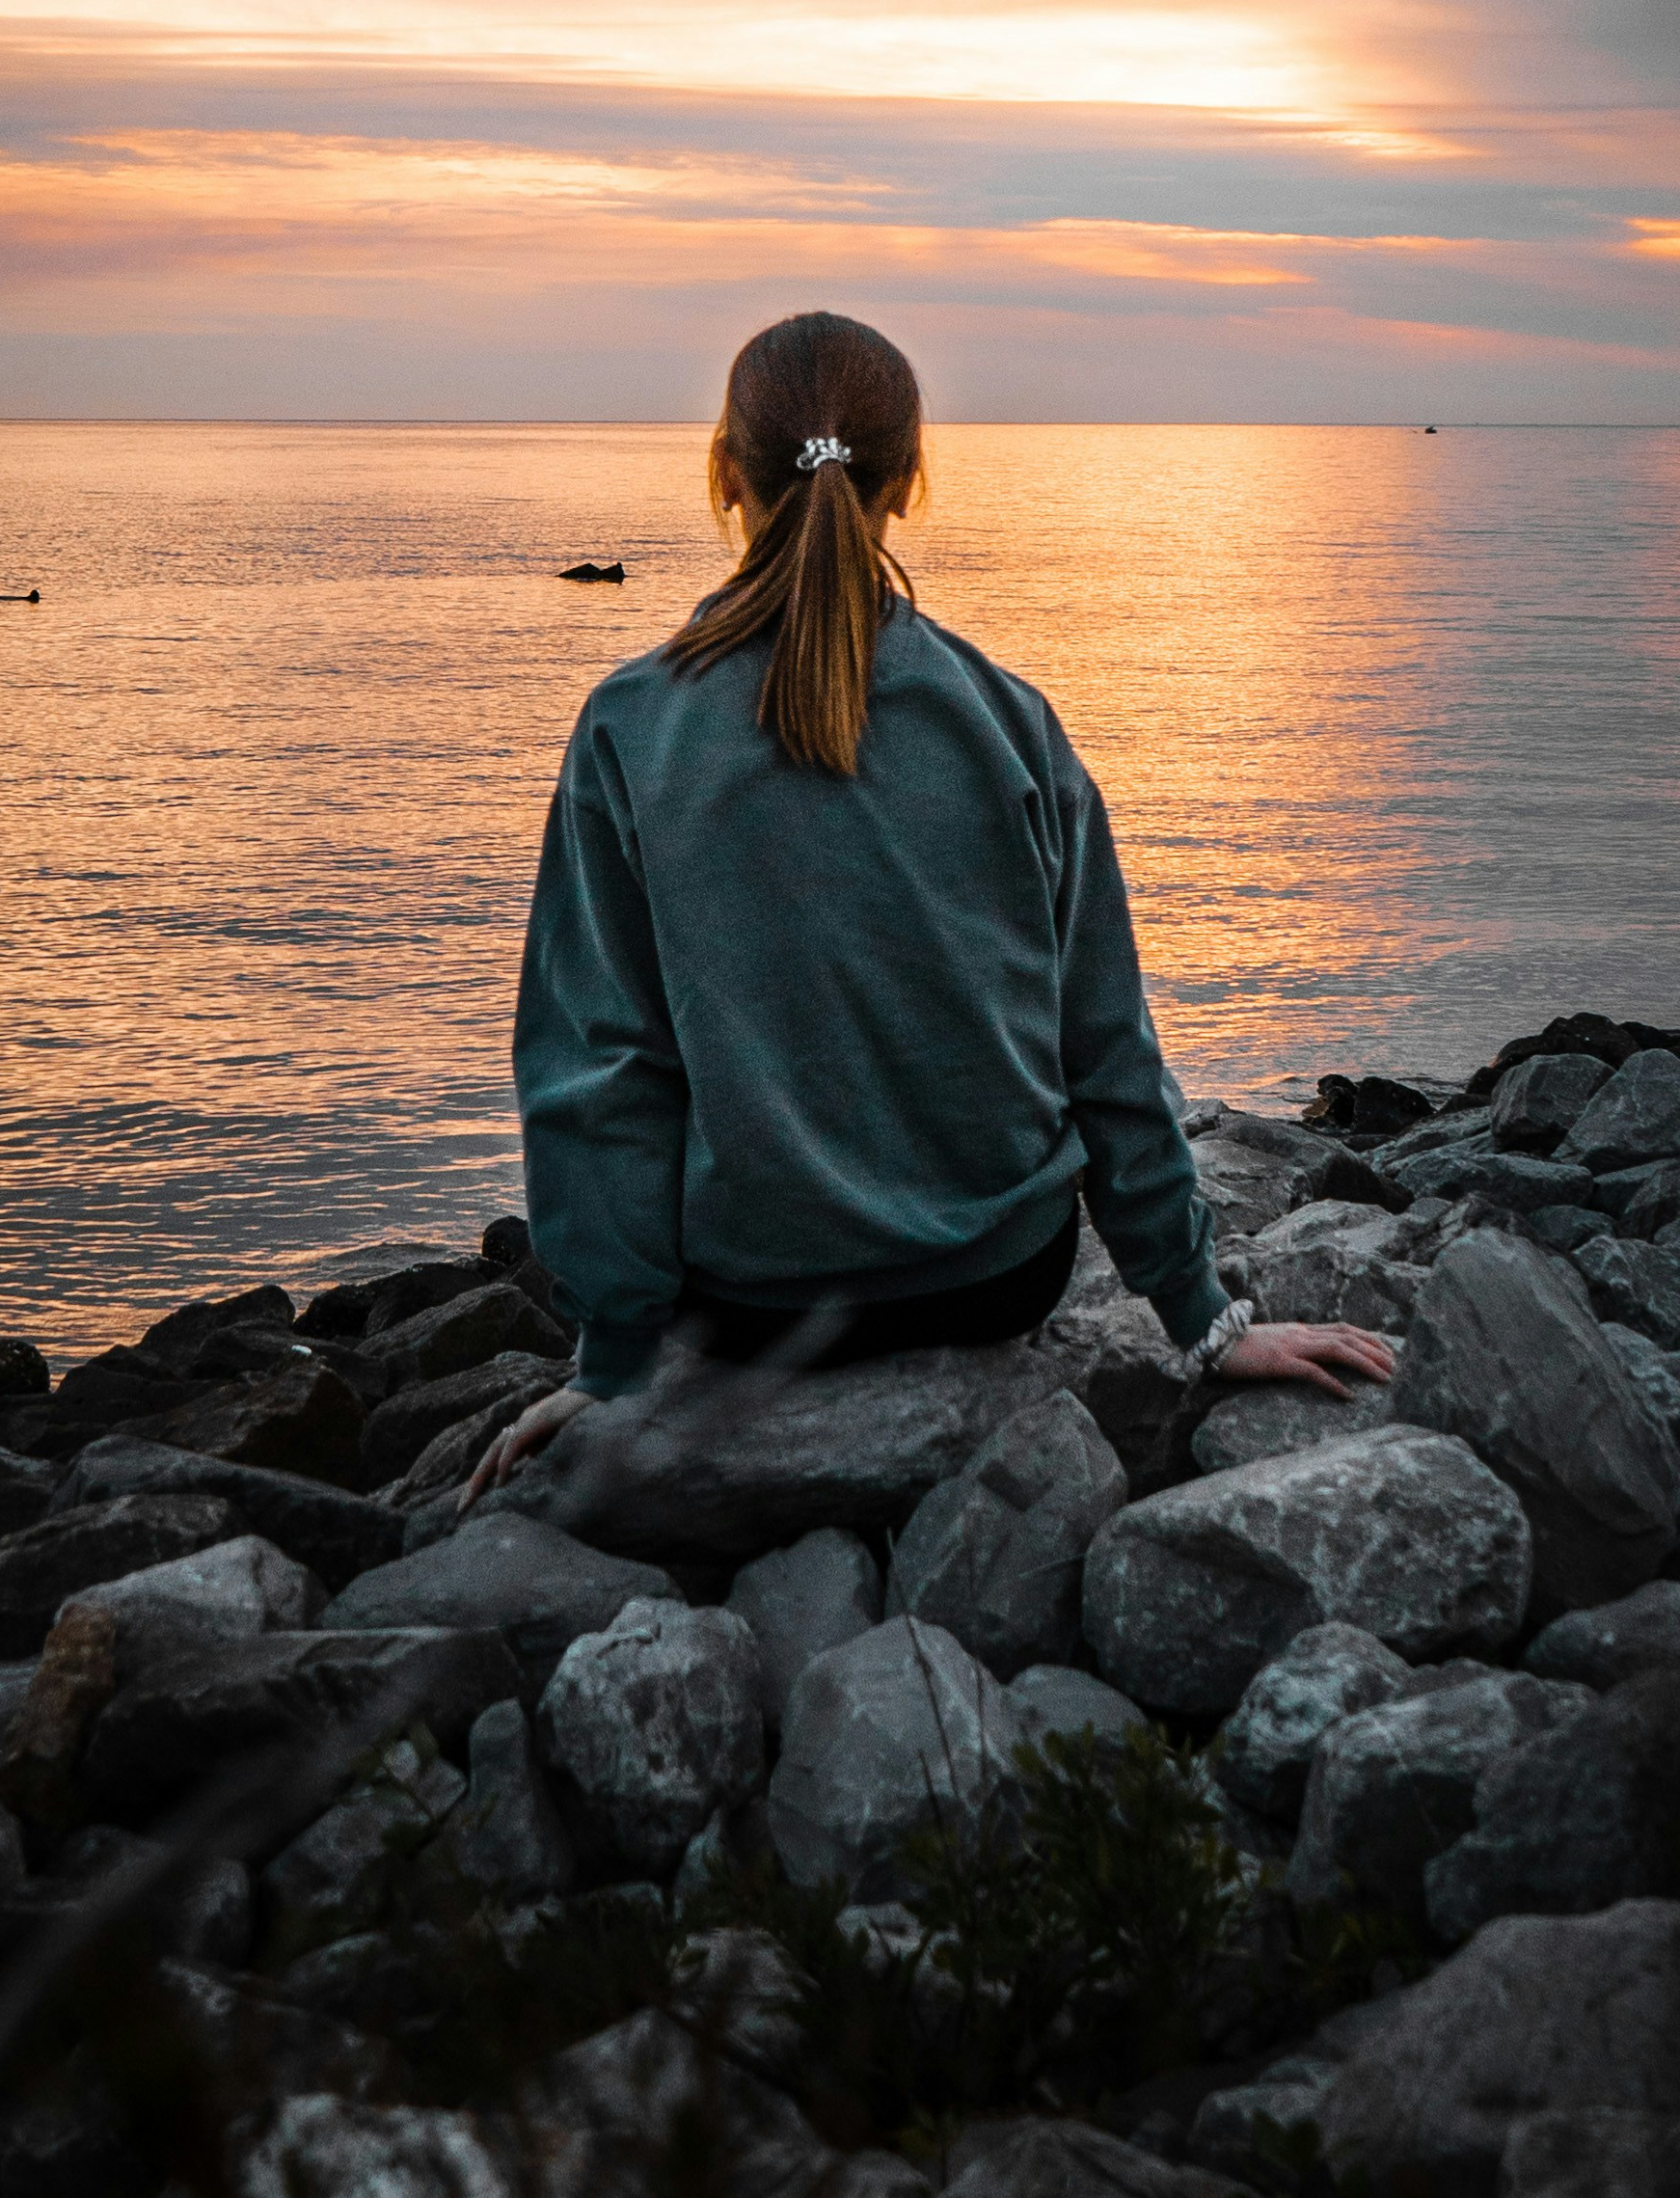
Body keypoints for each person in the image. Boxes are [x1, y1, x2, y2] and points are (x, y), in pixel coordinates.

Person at [463, 309, 1396, 1506]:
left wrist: (613, 1365)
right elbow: (1105, 1048)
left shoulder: (628, 728)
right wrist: (1200, 1320)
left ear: (719, 472)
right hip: (992, 1274)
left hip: (750, 1302)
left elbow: (598, 1070)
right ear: (909, 479)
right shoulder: (1011, 723)